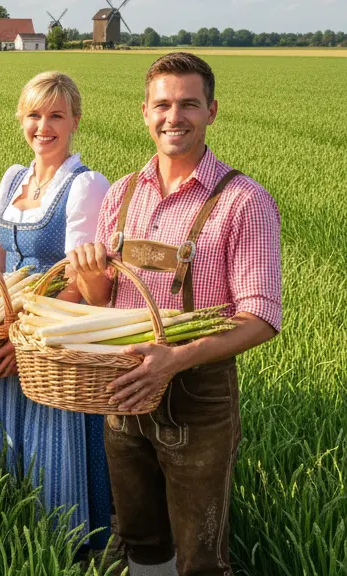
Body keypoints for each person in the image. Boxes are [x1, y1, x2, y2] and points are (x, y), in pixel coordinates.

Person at [68, 52, 281, 576]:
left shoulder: (244, 201)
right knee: (140, 542)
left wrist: (173, 359)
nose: (174, 116)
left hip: (198, 394)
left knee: (199, 556)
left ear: (212, 110)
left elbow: (260, 318)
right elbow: (103, 302)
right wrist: (93, 279)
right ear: (145, 112)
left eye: (189, 103)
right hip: (124, 388)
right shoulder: (121, 194)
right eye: (162, 104)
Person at [0, 71, 112, 552]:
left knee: (52, 443)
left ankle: (70, 547)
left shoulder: (86, 186)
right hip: (5, 328)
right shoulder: (12, 179)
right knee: (7, 438)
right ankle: (15, 541)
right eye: (33, 114)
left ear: (75, 122)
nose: (43, 126)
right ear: (20, 119)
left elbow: (79, 283)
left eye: (55, 115)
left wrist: (22, 337)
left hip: (51, 336)